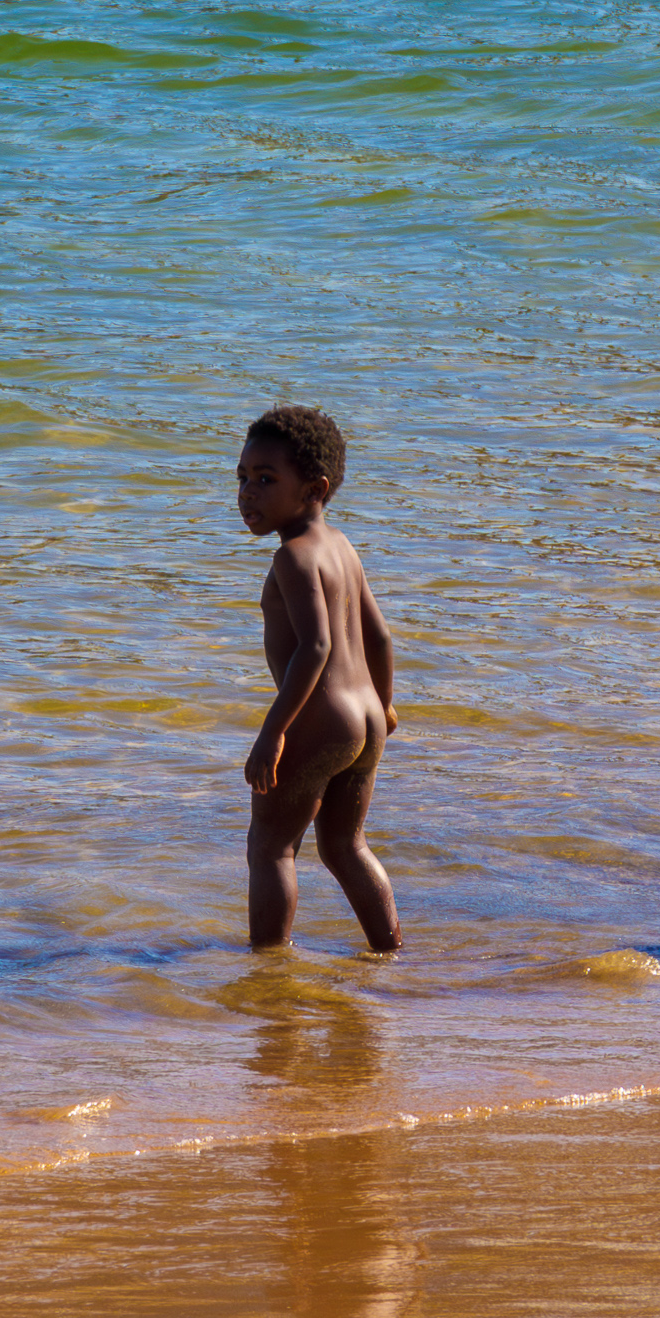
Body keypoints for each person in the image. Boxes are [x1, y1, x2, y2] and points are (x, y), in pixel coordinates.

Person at [235, 406, 401, 952]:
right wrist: (387, 704)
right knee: (344, 845)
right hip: (367, 718)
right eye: (242, 478)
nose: (248, 492)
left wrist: (273, 731)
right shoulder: (343, 548)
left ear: (314, 488)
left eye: (266, 479)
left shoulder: (294, 557)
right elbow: (378, 638)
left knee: (271, 848)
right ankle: (389, 950)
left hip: (321, 719)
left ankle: (269, 971)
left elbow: (316, 647)